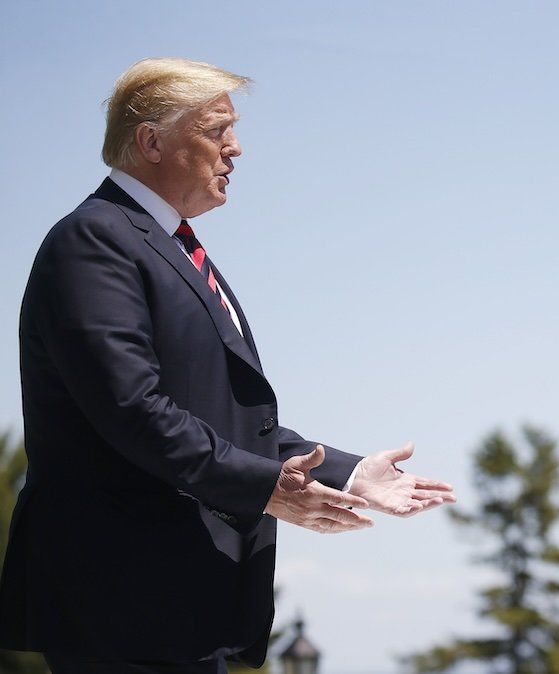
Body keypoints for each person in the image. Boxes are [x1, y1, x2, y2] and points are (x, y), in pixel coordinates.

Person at [0, 58, 456, 673]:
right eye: (217, 129)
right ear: (152, 141)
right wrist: (266, 489)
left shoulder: (170, 247)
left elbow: (216, 416)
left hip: (177, 603)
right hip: (119, 599)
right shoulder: (95, 239)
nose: (235, 148)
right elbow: (132, 410)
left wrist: (347, 474)